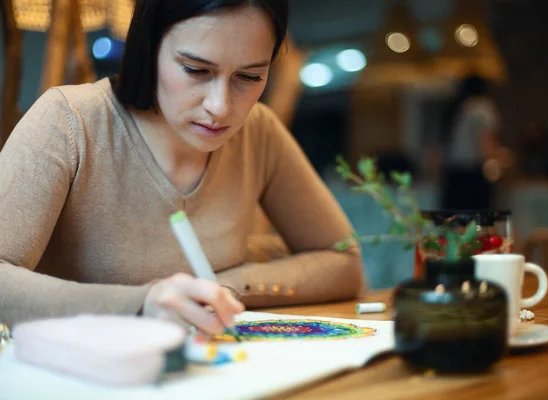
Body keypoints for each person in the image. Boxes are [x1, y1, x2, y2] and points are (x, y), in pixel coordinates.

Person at [0, 0, 363, 334]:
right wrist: (140, 305)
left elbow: (343, 260)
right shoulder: (71, 120)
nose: (220, 107)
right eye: (195, 69)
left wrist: (222, 288)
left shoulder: (258, 132)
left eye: (250, 77)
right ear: (149, 49)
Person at [440, 74, 502, 210]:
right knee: (477, 226)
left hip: (452, 177)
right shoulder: (482, 108)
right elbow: (486, 145)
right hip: (473, 177)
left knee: (454, 225)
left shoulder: (457, 108)